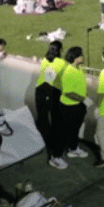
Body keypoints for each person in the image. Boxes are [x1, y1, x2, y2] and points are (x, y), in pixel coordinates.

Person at [35, 41, 68, 170]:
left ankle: (48, 144)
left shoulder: (44, 59)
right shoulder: (62, 63)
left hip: (40, 91)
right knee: (57, 123)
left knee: (43, 120)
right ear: (60, 50)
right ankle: (55, 155)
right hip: (52, 92)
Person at [59, 47, 90, 160]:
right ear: (76, 58)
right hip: (71, 106)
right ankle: (72, 149)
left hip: (78, 104)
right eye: (81, 55)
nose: (83, 57)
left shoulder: (78, 68)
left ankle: (71, 146)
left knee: (74, 128)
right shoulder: (68, 72)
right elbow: (68, 92)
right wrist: (83, 99)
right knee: (72, 129)